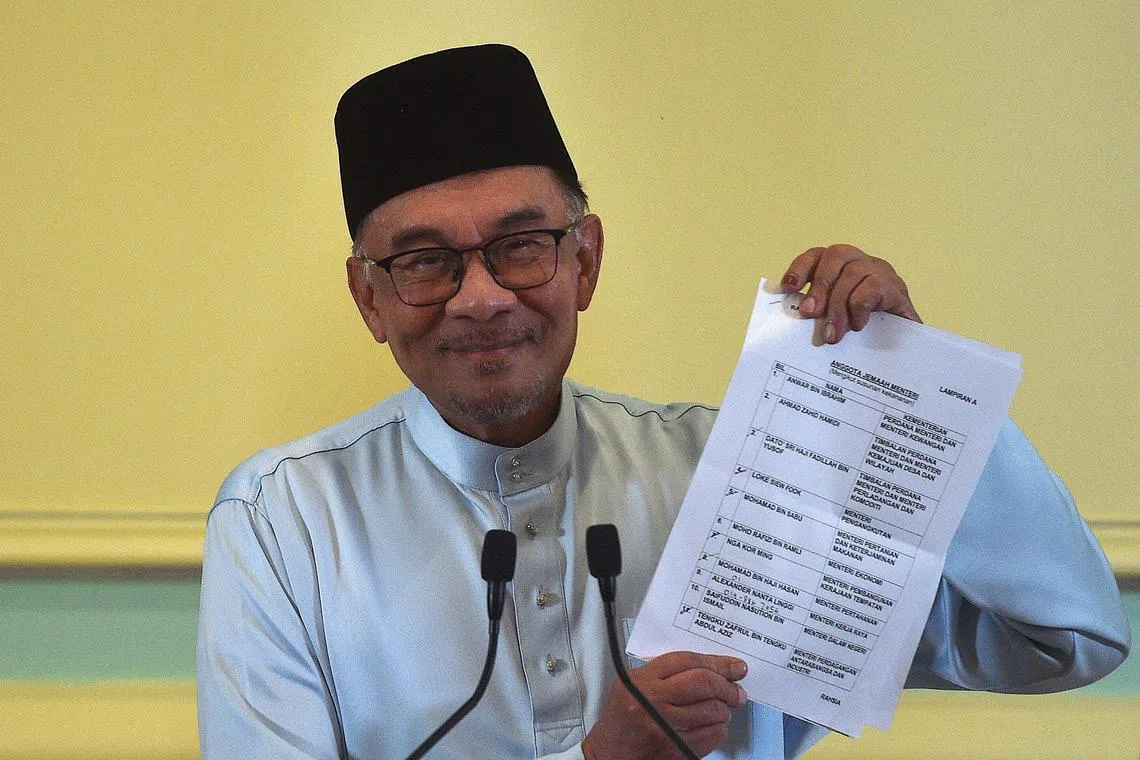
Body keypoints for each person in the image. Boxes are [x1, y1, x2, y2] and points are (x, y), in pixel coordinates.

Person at [196, 44, 1130, 760]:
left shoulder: (731, 473)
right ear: (370, 298)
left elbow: (1063, 639)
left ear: (585, 261)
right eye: (425, 262)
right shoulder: (284, 521)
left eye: (522, 245)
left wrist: (912, 385)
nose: (481, 297)